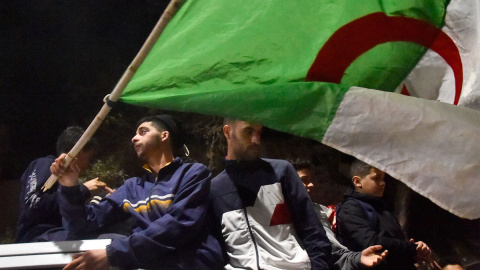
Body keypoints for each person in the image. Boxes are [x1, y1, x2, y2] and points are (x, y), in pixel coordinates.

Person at [51, 115, 223, 270]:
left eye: (143, 132)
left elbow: (178, 226)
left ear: (164, 136)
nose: (134, 138)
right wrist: (69, 186)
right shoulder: (132, 187)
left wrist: (114, 253)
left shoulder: (193, 173)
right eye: (135, 134)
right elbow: (81, 226)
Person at [209, 119, 332, 269]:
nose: (256, 140)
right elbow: (217, 248)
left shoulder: (281, 172)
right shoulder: (215, 188)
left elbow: (312, 231)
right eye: (248, 132)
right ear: (228, 132)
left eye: (259, 132)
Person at [15, 126, 111, 243]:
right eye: (89, 158)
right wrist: (83, 189)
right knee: (101, 242)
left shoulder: (74, 182)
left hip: (63, 236)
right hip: (38, 237)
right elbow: (33, 204)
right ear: (78, 152)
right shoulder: (46, 164)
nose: (88, 165)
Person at [336, 159, 434, 270]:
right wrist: (411, 248)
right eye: (376, 178)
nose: (383, 183)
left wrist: (413, 253)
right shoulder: (350, 208)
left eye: (383, 178)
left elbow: (394, 246)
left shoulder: (381, 207)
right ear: (358, 182)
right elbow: (372, 243)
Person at [290, 158, 388, 270]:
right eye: (304, 180)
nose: (311, 185)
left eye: (310, 180)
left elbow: (332, 249)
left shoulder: (317, 212)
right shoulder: (270, 215)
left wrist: (357, 258)